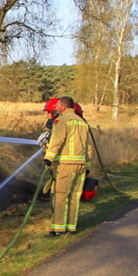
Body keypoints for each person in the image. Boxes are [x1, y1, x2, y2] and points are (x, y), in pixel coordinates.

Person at [43, 96, 93, 235]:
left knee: (60, 196)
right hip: (80, 165)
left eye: (57, 105)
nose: (56, 108)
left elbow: (57, 141)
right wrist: (87, 166)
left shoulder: (62, 120)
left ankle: (58, 229)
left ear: (63, 107)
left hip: (65, 165)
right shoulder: (82, 122)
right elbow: (88, 147)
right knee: (74, 197)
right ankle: (71, 227)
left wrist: (48, 158)